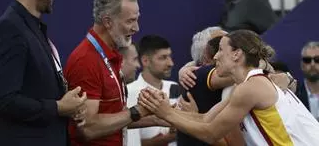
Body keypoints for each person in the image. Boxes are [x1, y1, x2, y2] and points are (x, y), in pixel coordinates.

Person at [140, 30, 319, 145]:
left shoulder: (251, 88)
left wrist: (166, 113)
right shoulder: (248, 85)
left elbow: (211, 133)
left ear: (236, 54)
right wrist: (160, 112)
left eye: (220, 50)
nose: (215, 56)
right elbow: (206, 119)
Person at [0, 0, 87, 145]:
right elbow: (5, 100)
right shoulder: (10, 28)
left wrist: (68, 108)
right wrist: (58, 108)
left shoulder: (31, 27)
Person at [64, 0, 158, 146]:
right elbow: (88, 127)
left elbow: (114, 119)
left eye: (137, 19)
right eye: (130, 21)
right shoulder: (86, 60)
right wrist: (137, 111)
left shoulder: (108, 54)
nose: (137, 28)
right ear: (107, 21)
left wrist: (161, 116)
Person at [177, 27, 244, 146]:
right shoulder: (198, 75)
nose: (235, 49)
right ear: (208, 55)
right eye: (220, 46)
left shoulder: (194, 72)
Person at [127, 35, 180, 146]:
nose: (171, 63)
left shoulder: (175, 87)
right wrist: (170, 136)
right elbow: (131, 142)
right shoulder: (129, 92)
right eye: (163, 58)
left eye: (170, 56)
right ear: (145, 61)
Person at [296, 41, 319, 119]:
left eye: (317, 59)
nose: (312, 64)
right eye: (307, 60)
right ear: (302, 65)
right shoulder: (294, 95)